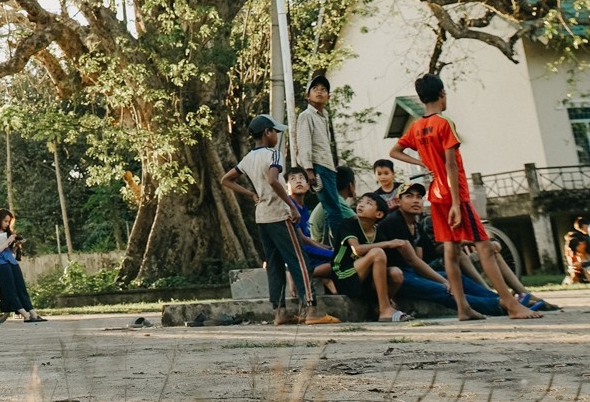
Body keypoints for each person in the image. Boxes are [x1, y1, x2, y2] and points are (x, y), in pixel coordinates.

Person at [390, 74, 539, 320]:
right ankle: (511, 305)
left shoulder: (416, 127)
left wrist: (421, 162)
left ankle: (463, 308)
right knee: (485, 247)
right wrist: (458, 204)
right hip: (453, 193)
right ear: (441, 94)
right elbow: (451, 165)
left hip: (436, 194)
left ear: (420, 98)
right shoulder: (443, 123)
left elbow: (394, 151)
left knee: (451, 251)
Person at [220, 114, 337, 325]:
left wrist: (251, 194)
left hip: (262, 217)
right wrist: (292, 206)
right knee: (299, 260)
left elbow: (225, 180)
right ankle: (312, 310)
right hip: (279, 214)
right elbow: (274, 180)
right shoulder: (273, 154)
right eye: (275, 131)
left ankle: (279, 311)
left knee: (274, 264)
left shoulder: (248, 158)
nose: (276, 136)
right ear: (267, 132)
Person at [378, 183, 556, 315]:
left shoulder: (415, 224)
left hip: (414, 271)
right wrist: (443, 281)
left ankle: (510, 300)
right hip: (397, 275)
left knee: (459, 280)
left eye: (418, 197)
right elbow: (413, 261)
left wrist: (470, 244)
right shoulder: (394, 221)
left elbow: (426, 254)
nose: (415, 200)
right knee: (445, 289)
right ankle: (501, 305)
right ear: (398, 201)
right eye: (409, 196)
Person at [329, 192, 411, 322]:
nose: (361, 205)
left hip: (364, 279)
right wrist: (388, 243)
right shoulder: (348, 224)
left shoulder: (378, 233)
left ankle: (380, 306)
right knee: (377, 252)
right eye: (361, 201)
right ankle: (385, 309)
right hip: (344, 276)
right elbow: (357, 250)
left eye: (368, 203)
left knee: (396, 274)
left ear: (379, 214)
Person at [292, 72, 353, 231]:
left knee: (332, 209)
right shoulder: (306, 116)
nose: (319, 91)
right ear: (308, 95)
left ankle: (332, 246)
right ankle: (342, 248)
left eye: (323, 89)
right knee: (334, 210)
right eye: (315, 89)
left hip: (327, 167)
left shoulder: (323, 116)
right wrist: (309, 169)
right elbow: (304, 143)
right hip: (319, 167)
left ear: (328, 96)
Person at [0, 208, 43, 323]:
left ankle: (32, 313)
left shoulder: (8, 233)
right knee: (10, 289)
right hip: (1, 264)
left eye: (9, 222)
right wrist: (8, 241)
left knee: (21, 287)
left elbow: (10, 253)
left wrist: (16, 245)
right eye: (5, 221)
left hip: (11, 261)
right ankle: (24, 314)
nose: (7, 224)